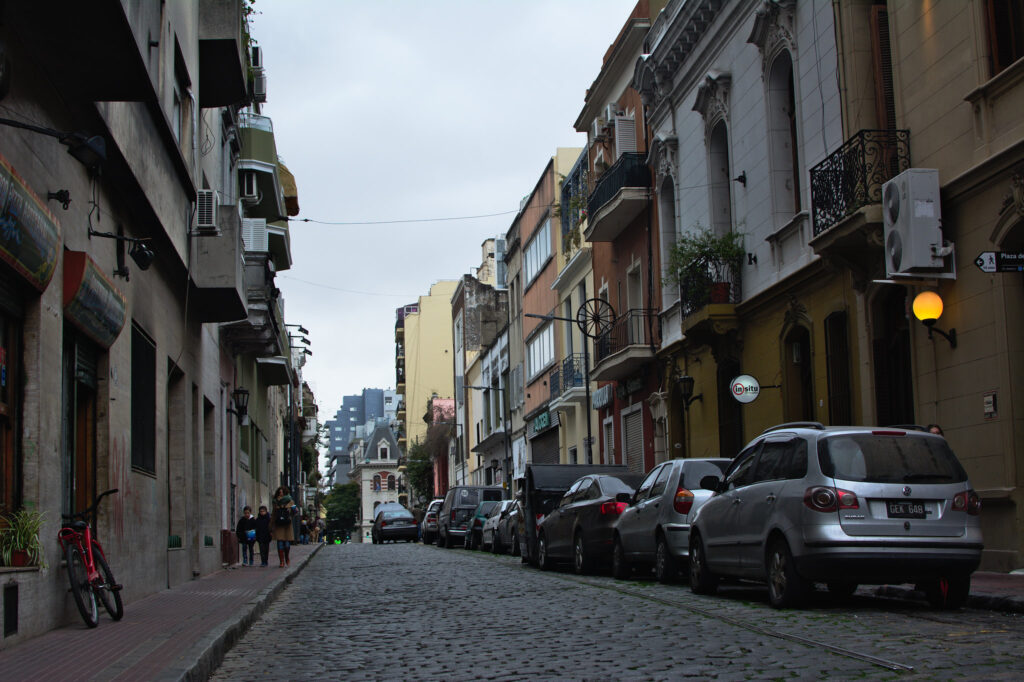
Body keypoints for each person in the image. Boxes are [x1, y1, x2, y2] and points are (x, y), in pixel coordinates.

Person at [271, 486, 297, 567]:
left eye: (282, 492)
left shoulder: (290, 500)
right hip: (278, 524)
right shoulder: (275, 501)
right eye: (279, 492)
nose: (280, 493)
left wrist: (291, 510)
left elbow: (294, 512)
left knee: (286, 544)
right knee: (280, 543)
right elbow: (274, 514)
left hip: (287, 524)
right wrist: (271, 525)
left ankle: (287, 557)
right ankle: (281, 561)